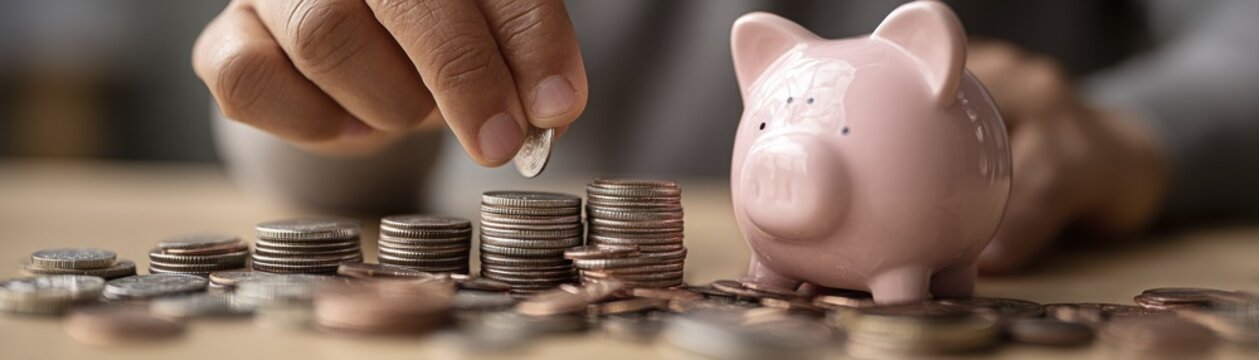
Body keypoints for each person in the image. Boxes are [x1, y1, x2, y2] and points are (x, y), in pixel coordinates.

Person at [191, 0, 1259, 274]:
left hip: (1047, 232)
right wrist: (329, 71)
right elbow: (309, 167)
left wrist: (1137, 132)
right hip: (469, 220)